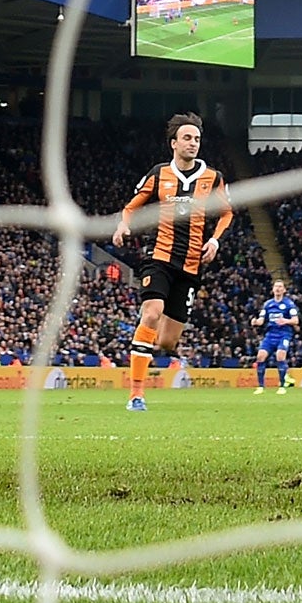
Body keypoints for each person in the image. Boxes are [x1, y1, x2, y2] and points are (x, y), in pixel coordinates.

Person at [110, 112, 232, 411]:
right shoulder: (159, 173)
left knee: (166, 344)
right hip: (160, 257)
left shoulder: (212, 177)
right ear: (174, 143)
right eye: (188, 138)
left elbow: (227, 213)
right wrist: (123, 225)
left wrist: (214, 239)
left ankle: (146, 340)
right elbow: (130, 207)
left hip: (190, 266)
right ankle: (136, 395)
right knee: (152, 312)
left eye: (197, 139)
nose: (193, 143)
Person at [253, 277, 300, 395]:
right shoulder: (268, 304)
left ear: (284, 290)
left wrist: (285, 321)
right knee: (260, 357)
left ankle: (282, 385)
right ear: (273, 289)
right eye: (276, 287)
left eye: (280, 287)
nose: (278, 289)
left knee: (280, 356)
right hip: (270, 335)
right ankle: (260, 387)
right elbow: (261, 320)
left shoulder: (289, 304)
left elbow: (295, 320)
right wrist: (255, 322)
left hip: (284, 334)